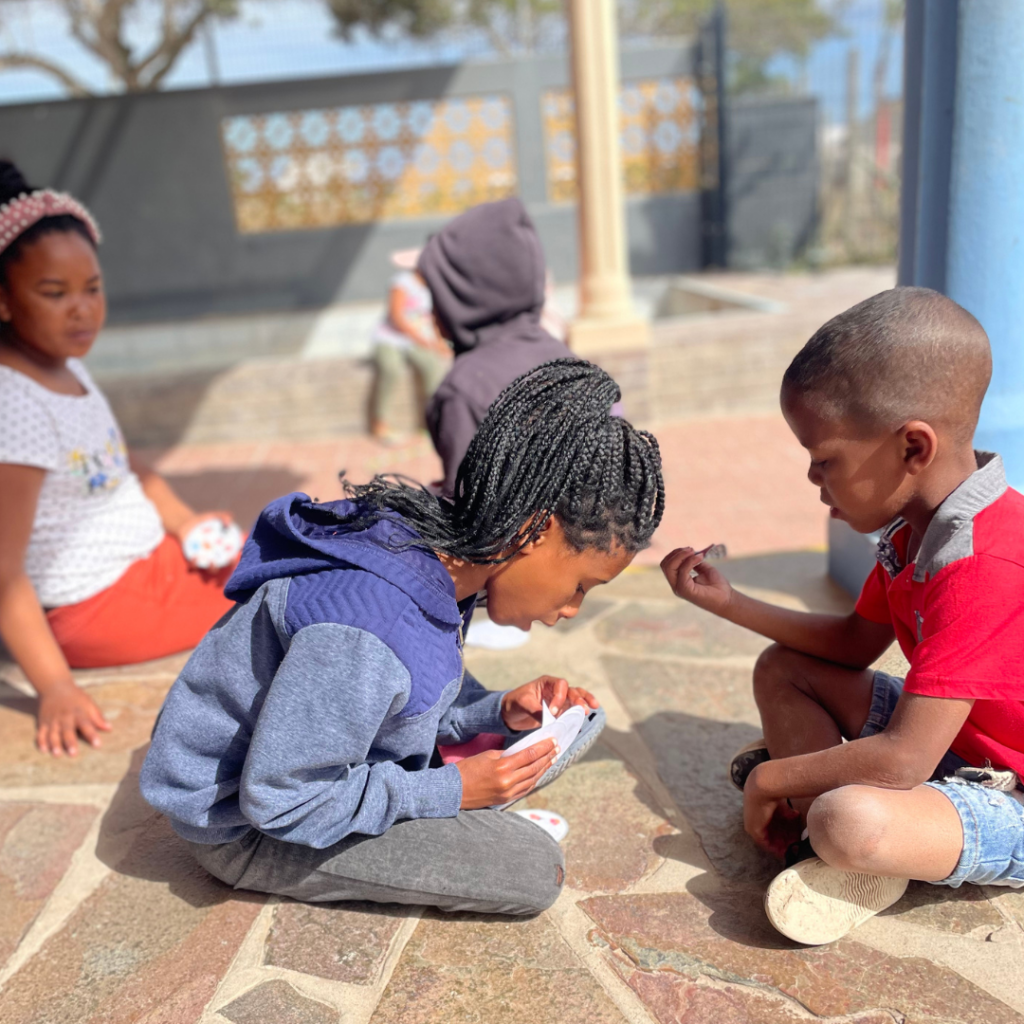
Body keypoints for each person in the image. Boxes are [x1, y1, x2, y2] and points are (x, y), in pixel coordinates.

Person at [140, 359, 665, 915]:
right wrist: (451, 793)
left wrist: (494, 712)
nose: (571, 609)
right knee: (535, 870)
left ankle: (463, 772)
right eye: (581, 584)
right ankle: (456, 793)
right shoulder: (369, 630)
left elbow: (400, 700)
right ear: (534, 530)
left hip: (322, 760)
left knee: (577, 723)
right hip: (251, 830)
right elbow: (281, 799)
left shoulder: (442, 557)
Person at [662, 287, 1024, 945]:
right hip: (959, 745)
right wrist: (729, 602)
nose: (812, 478)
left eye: (825, 458)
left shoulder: (984, 563)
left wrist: (773, 778)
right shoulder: (915, 532)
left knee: (847, 821)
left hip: (1011, 790)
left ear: (913, 448)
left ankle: (831, 831)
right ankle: (824, 828)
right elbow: (854, 644)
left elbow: (907, 758)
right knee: (786, 671)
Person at [0, 160, 241, 758]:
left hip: (145, 565)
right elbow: (3, 570)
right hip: (93, 606)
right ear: (2, 301)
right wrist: (54, 685)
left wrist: (184, 524)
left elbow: (122, 464)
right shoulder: (15, 405)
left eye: (92, 288)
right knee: (276, 585)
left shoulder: (66, 366)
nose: (80, 309)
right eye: (54, 293)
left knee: (272, 548)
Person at [418, 197, 572, 498]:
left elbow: (465, 510)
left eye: (437, 294)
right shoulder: (567, 358)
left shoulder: (463, 391)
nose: (431, 311)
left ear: (465, 295)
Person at [370, 249, 449, 445]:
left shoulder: (434, 286)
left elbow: (433, 317)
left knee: (432, 369)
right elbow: (396, 316)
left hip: (418, 340)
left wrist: (439, 342)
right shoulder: (402, 283)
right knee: (390, 370)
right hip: (391, 338)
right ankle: (380, 423)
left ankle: (429, 423)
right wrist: (421, 339)